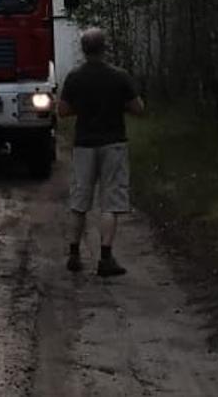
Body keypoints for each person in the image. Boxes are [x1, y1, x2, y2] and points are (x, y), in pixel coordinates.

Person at [58, 27, 145, 277]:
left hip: (84, 144)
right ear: (104, 48)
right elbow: (138, 108)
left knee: (79, 200)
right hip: (113, 143)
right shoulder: (119, 76)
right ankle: (105, 258)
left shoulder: (74, 77)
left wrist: (82, 108)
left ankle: (74, 254)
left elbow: (62, 111)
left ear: (84, 49)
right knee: (110, 201)